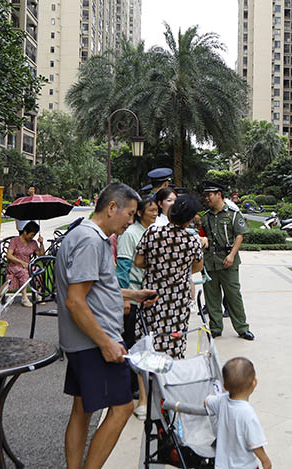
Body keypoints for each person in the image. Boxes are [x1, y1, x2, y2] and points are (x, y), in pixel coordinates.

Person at [55, 183, 156, 469]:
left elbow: (94, 287)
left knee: (81, 410)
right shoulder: (90, 240)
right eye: (131, 213)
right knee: (123, 408)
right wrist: (105, 342)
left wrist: (133, 294)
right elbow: (76, 301)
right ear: (112, 207)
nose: (131, 220)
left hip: (81, 342)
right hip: (94, 343)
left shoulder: (84, 236)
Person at [134, 194, 204, 361]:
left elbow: (138, 261)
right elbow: (198, 267)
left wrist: (156, 268)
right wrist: (179, 270)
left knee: (148, 341)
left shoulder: (152, 232)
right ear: (189, 220)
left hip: (152, 296)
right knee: (174, 342)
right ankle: (170, 382)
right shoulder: (192, 240)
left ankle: (148, 380)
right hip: (177, 301)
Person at [116, 196, 158, 420]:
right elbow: (122, 268)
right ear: (140, 212)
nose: (154, 213)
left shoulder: (152, 232)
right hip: (131, 296)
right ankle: (129, 386)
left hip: (145, 297)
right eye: (150, 210)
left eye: (156, 210)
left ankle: (137, 383)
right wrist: (124, 298)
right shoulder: (131, 234)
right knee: (130, 341)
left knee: (142, 342)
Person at [201, 180, 254, 340]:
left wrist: (231, 255)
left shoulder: (232, 214)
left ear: (219, 195)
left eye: (209, 195)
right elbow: (203, 236)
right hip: (210, 260)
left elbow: (240, 235)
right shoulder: (206, 217)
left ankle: (242, 328)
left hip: (228, 261)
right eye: (205, 196)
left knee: (233, 295)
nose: (207, 199)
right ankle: (215, 328)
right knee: (211, 296)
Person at [204, 357, 271, 469]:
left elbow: (207, 401)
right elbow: (255, 443)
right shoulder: (248, 414)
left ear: (225, 387)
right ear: (254, 383)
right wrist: (265, 460)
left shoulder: (221, 401)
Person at [6, 221, 45, 307]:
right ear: (25, 232)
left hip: (27, 265)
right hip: (14, 265)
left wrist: (41, 244)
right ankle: (24, 298)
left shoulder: (33, 243)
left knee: (38, 271)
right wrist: (21, 262)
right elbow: (9, 255)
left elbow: (41, 255)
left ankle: (38, 294)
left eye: (34, 235)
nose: (32, 237)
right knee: (24, 273)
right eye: (31, 234)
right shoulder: (14, 241)